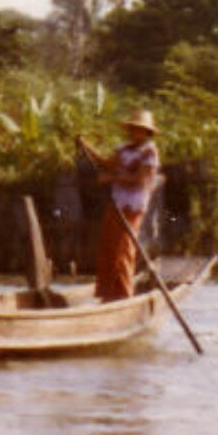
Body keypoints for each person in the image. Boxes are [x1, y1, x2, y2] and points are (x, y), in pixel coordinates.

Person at [76, 110, 161, 301]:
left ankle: (123, 294)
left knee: (124, 248)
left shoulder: (150, 152)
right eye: (133, 129)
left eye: (140, 130)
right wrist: (86, 148)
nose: (135, 133)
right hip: (117, 202)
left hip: (133, 205)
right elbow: (107, 164)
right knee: (109, 247)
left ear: (147, 133)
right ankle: (108, 293)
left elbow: (140, 179)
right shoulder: (123, 149)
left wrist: (111, 179)